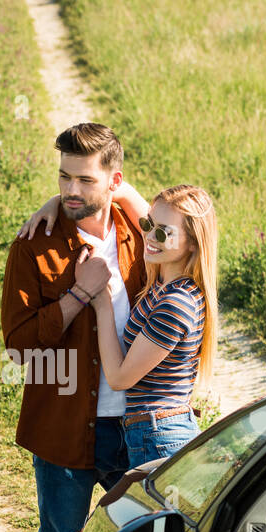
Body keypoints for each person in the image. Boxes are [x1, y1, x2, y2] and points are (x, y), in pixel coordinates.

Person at [0, 122, 141, 532]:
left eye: (85, 178)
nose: (70, 190)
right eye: (62, 176)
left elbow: (188, 223)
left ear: (113, 179)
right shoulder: (33, 247)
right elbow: (19, 346)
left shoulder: (141, 230)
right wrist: (77, 296)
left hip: (137, 427)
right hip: (62, 428)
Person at [20, 182, 219, 468]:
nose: (150, 236)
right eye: (148, 224)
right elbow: (120, 189)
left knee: (151, 514)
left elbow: (119, 377)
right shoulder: (163, 284)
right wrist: (56, 203)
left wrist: (100, 300)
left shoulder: (175, 303)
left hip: (160, 436)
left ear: (192, 243)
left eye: (164, 232)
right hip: (151, 431)